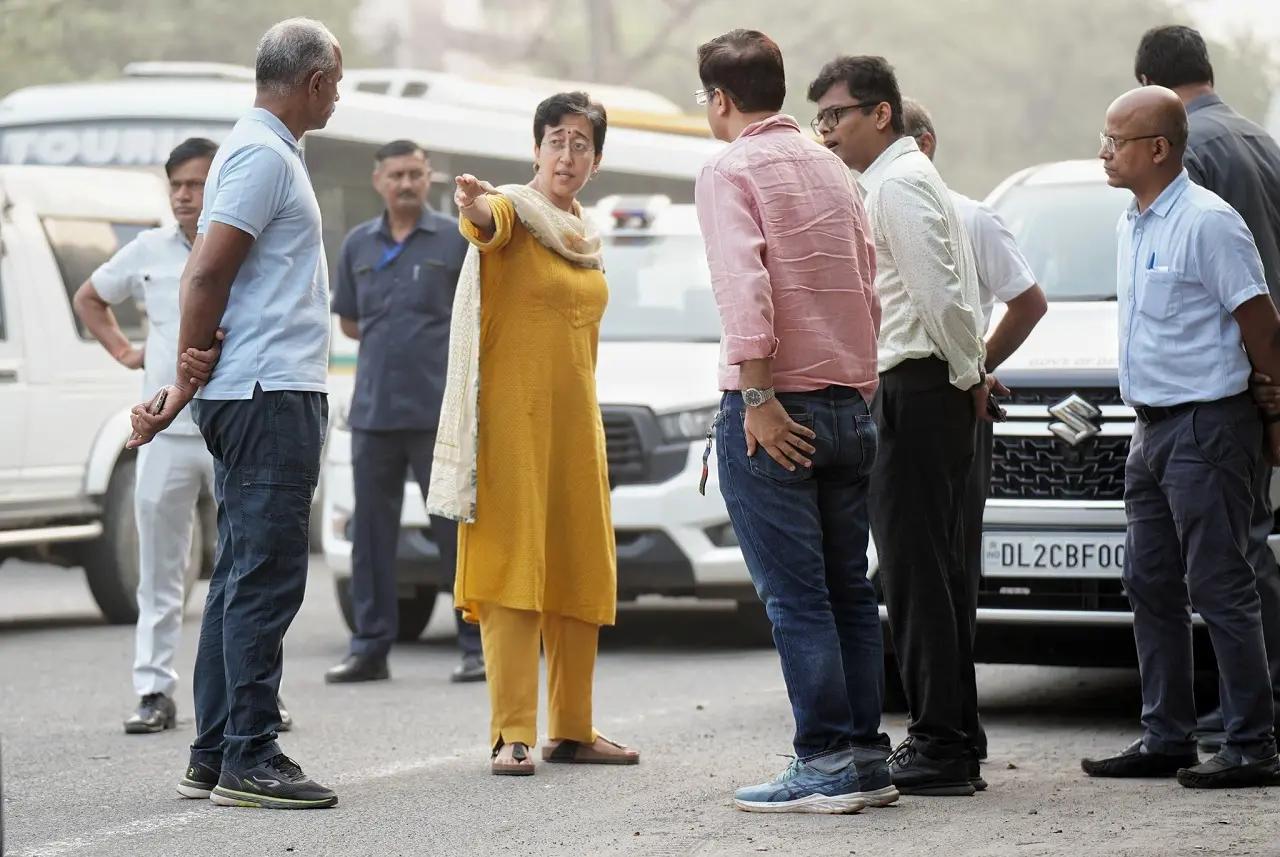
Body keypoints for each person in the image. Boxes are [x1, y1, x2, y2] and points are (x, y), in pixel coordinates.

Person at [127, 17, 343, 810]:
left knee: (238, 574)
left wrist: (188, 380)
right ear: (314, 81)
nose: (339, 95)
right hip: (266, 394)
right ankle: (251, 753)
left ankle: (215, 751)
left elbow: (218, 275)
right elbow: (205, 273)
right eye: (336, 81)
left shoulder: (263, 150)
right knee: (264, 575)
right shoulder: (259, 155)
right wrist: (186, 372)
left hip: (259, 390)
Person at [692, 30, 892, 815]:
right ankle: (866, 757)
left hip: (778, 406)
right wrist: (859, 390)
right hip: (848, 402)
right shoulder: (832, 166)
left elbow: (744, 287)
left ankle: (824, 763)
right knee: (849, 590)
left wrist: (756, 398)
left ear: (720, 99)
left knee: (798, 597)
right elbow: (867, 284)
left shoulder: (729, 169)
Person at [426, 91, 639, 776]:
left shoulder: (583, 237)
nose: (566, 155)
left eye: (581, 144)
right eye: (556, 141)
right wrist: (472, 204)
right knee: (512, 568)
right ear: (536, 149)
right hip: (510, 429)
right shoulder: (516, 211)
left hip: (575, 430)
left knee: (579, 567)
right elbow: (486, 221)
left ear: (596, 160)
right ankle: (512, 732)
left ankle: (572, 728)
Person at [1081, 86, 1280, 789]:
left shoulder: (1208, 222)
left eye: (1116, 140)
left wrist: (1274, 418)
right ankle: (1166, 736)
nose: (1104, 152)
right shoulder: (1132, 223)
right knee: (1149, 581)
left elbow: (1262, 326)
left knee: (1221, 584)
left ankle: (1252, 743)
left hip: (1208, 426)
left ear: (1159, 149)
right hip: (1151, 429)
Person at [809, 55, 995, 796]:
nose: (826, 132)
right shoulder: (900, 178)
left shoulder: (897, 183)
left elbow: (942, 295)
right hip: (925, 388)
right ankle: (956, 737)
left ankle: (941, 745)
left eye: (837, 116)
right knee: (935, 574)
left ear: (880, 113)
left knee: (918, 577)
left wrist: (969, 373)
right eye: (820, 118)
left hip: (917, 390)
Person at [73, 139, 295, 737]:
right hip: (164, 435)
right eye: (176, 185)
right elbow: (90, 297)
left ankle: (257, 695)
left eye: (196, 184)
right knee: (159, 569)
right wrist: (126, 352)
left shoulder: (243, 245)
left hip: (231, 428)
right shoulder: (147, 250)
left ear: (219, 185)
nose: (184, 195)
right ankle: (153, 690)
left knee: (249, 569)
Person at [1134, 24, 1280, 755]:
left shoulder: (1192, 162)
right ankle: (1206, 723)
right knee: (1232, 557)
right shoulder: (1261, 142)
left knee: (1226, 571)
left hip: (1223, 395)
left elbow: (1231, 296)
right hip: (1233, 390)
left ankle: (1251, 726)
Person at [902, 98, 1049, 765]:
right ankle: (954, 727)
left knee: (952, 570)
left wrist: (977, 368)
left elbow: (1028, 301)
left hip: (956, 404)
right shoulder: (873, 209)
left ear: (925, 144)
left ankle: (954, 734)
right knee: (920, 574)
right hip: (903, 403)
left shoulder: (968, 215)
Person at [324, 140, 484, 685]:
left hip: (439, 413)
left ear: (429, 176)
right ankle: (369, 648)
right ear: (379, 181)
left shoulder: (454, 238)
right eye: (396, 175)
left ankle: (475, 645)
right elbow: (349, 321)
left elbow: (478, 311)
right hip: (373, 412)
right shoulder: (357, 244)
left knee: (454, 532)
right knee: (370, 536)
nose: (406, 184)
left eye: (415, 174)